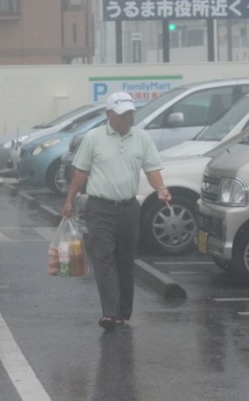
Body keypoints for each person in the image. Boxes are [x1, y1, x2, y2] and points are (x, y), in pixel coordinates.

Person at [61, 91, 171, 331]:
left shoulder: (141, 138)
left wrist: (161, 188)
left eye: (131, 113)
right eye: (122, 114)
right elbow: (81, 171)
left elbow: (152, 168)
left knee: (125, 260)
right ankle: (110, 312)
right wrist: (70, 200)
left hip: (129, 208)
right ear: (108, 114)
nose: (128, 118)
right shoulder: (93, 137)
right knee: (103, 258)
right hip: (99, 207)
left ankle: (122, 311)